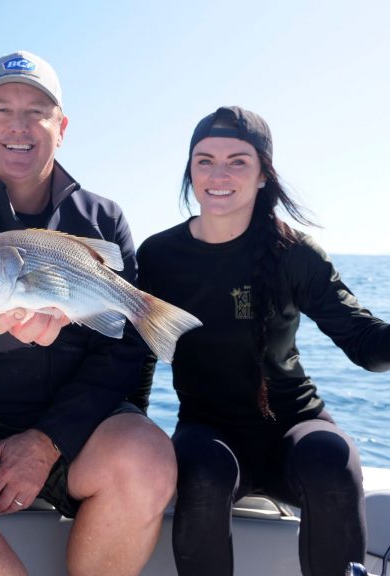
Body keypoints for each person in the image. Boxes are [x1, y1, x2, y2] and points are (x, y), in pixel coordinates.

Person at [0, 50, 176, 576]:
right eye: (1, 110)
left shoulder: (103, 218)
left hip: (71, 423)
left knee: (148, 459)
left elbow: (121, 350)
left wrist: (48, 441)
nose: (18, 126)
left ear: (60, 127)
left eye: (36, 111)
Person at [136, 106, 390, 576]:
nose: (219, 174)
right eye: (204, 160)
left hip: (295, 425)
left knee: (332, 461)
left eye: (238, 161)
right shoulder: (159, 255)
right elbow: (139, 354)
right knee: (204, 473)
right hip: (206, 429)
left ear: (261, 175)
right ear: (189, 171)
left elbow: (364, 341)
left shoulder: (294, 253)